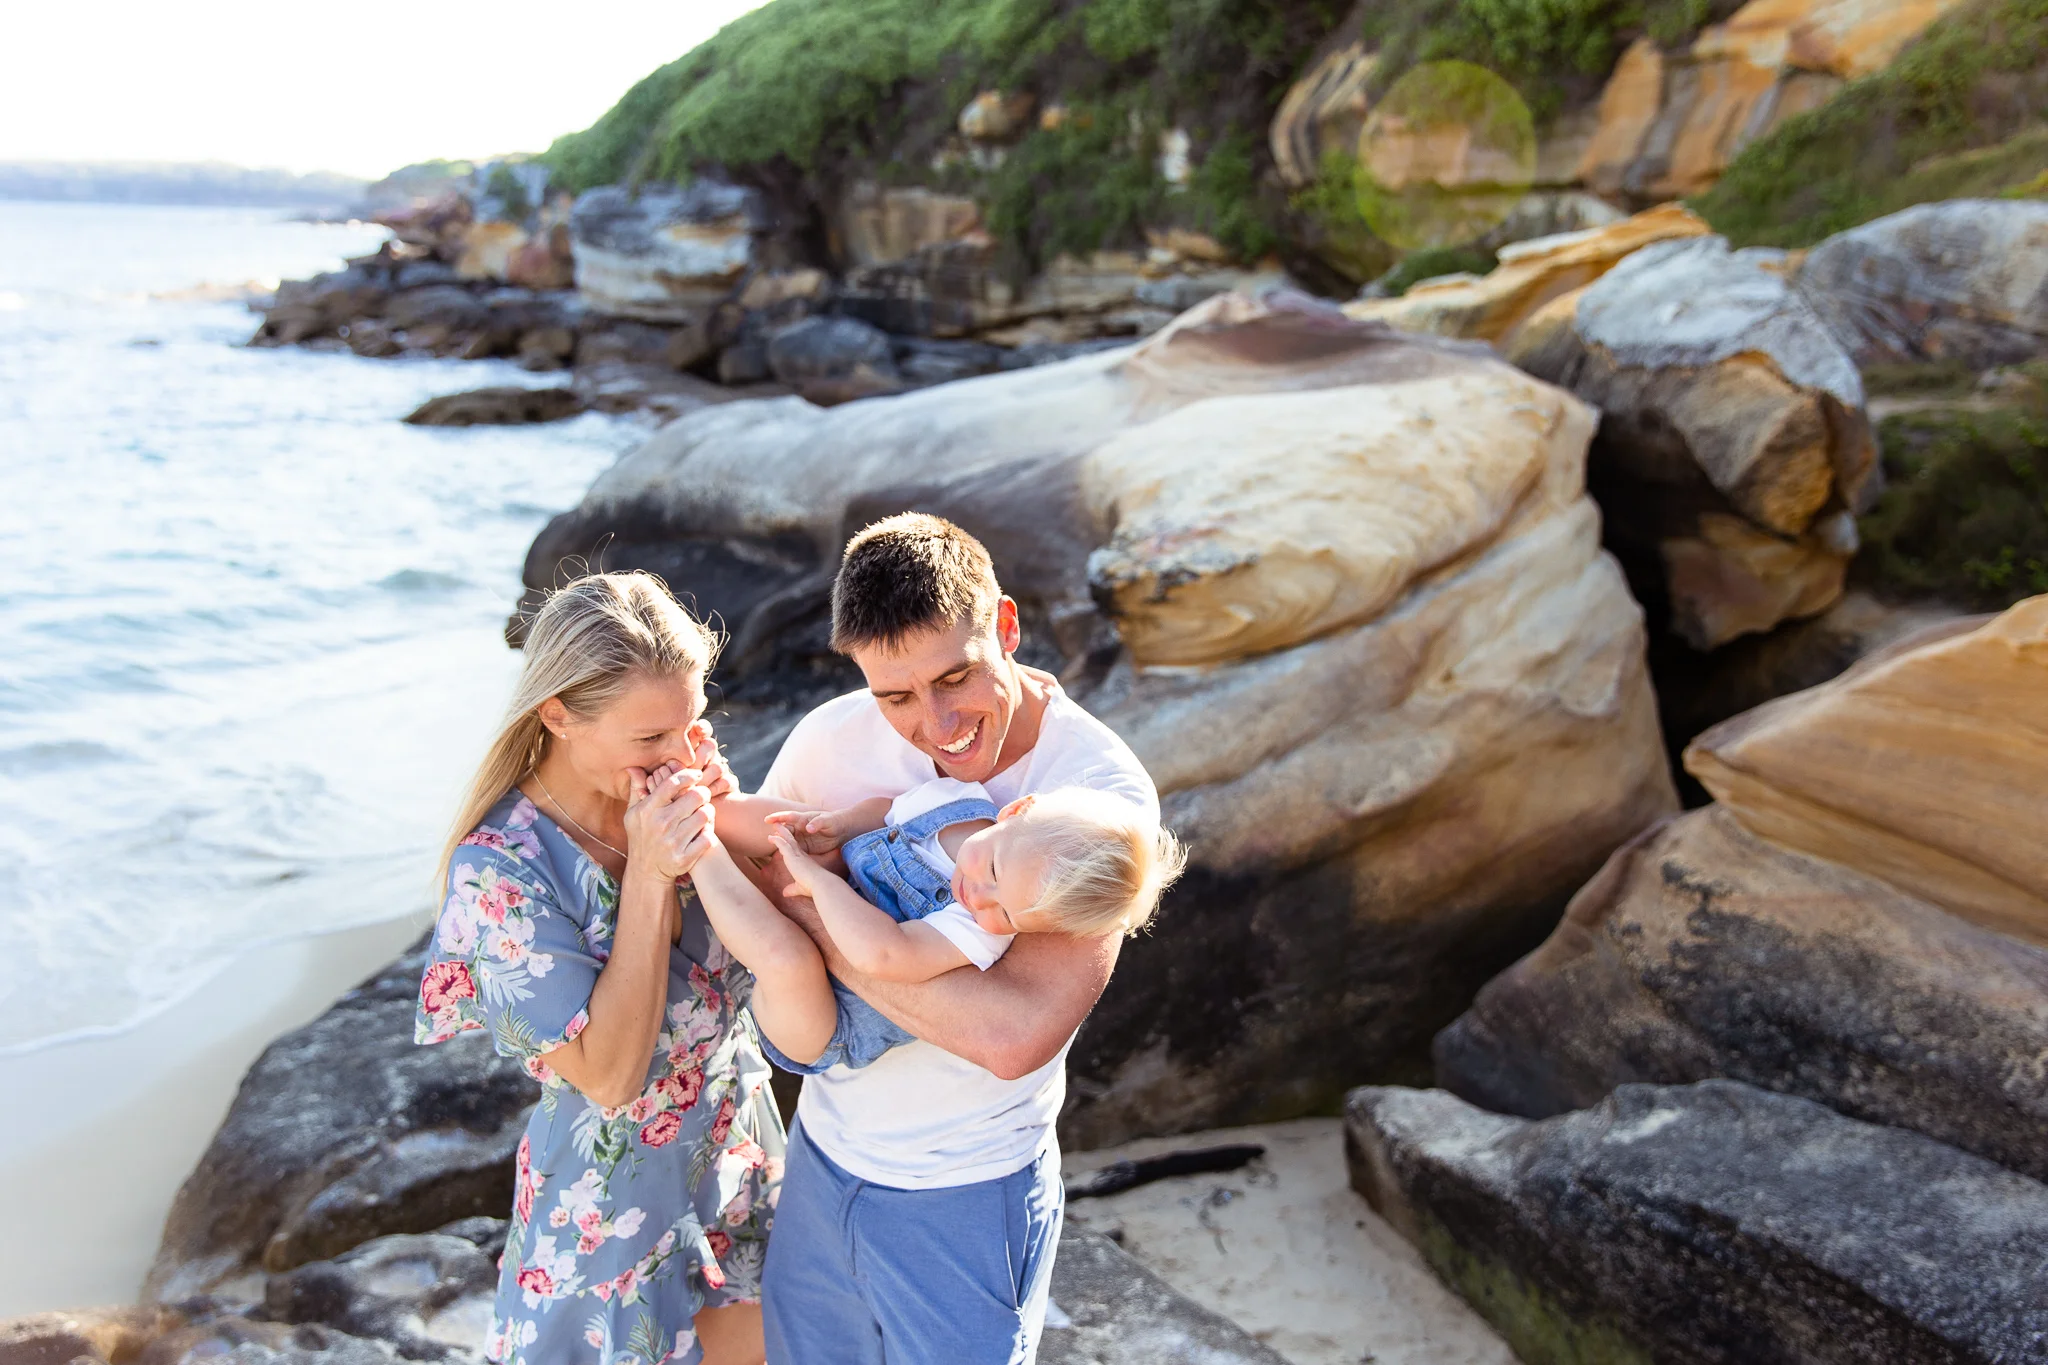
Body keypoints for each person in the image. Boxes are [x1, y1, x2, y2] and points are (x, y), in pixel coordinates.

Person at [735, 513, 1165, 1365]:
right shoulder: (831, 737)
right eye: (895, 696)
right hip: (821, 1157)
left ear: (1005, 626)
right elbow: (750, 873)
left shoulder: (1093, 802)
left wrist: (818, 914)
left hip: (965, 1190)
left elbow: (1012, 1034)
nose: (936, 723)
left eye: (956, 676)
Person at [413, 572, 783, 1365]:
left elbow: (777, 940)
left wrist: (732, 823)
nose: (678, 754)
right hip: (609, 1221)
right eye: (650, 738)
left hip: (740, 1164)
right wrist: (649, 876)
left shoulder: (676, 788)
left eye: (692, 724)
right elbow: (611, 1075)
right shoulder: (500, 872)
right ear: (558, 715)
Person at [689, 777, 1183, 1070]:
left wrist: (818, 887)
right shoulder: (956, 801)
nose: (979, 899)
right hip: (847, 896)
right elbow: (886, 812)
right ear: (1013, 812)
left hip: (826, 1017)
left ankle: (693, 849)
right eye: (991, 870)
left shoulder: (981, 936)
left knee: (788, 959)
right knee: (796, 825)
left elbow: (885, 953)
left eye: (1009, 914)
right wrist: (842, 825)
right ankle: (699, 801)